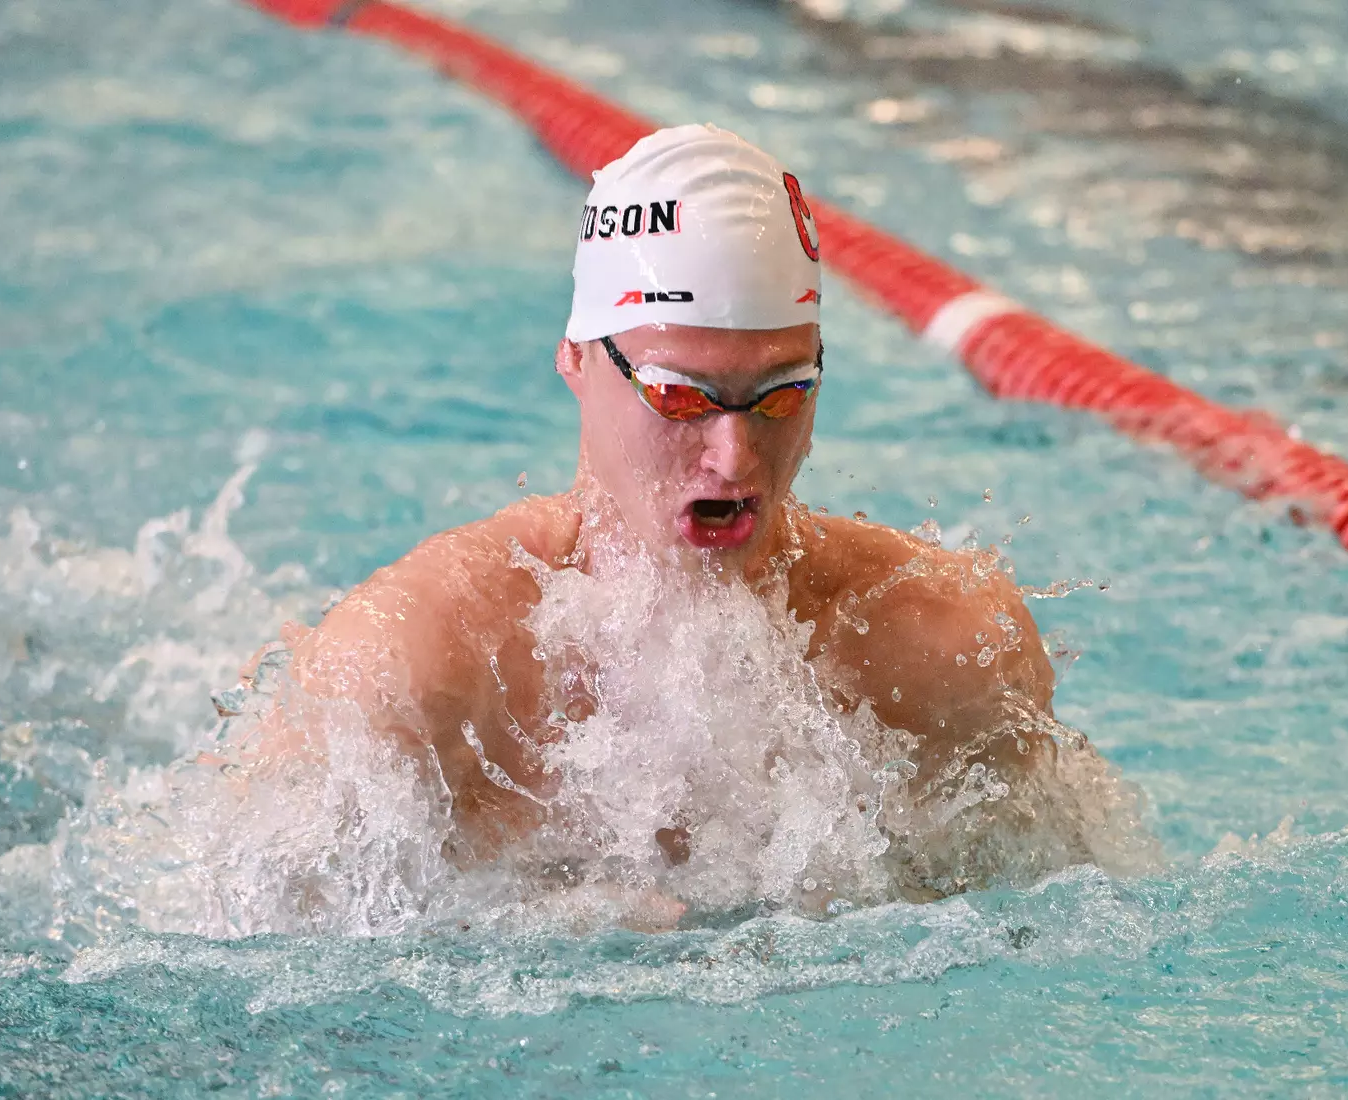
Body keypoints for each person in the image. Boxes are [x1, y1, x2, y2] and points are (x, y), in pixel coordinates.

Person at [237, 123, 1058, 889]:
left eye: (781, 395)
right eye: (678, 395)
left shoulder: (946, 648)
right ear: (575, 359)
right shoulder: (417, 667)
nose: (734, 458)